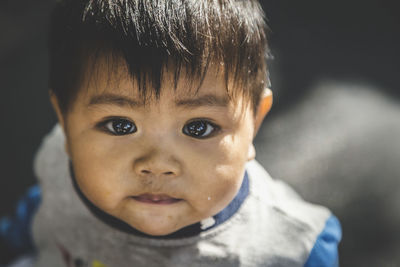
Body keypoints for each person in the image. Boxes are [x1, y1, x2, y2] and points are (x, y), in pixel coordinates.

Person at [0, 0, 342, 266]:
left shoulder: (288, 247)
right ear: (65, 121)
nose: (158, 165)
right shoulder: (57, 172)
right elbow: (31, 226)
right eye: (121, 125)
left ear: (253, 122)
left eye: (198, 127)